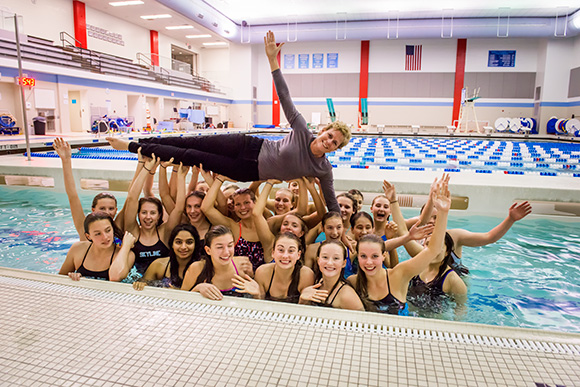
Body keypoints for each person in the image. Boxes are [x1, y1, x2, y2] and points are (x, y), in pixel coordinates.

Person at [106, 30, 351, 213]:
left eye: (335, 143)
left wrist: (341, 229)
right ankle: (134, 143)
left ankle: (131, 146)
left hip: (247, 171)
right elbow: (284, 96)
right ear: (323, 130)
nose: (329, 142)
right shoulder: (300, 129)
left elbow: (331, 200)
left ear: (336, 149)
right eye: (330, 135)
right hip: (249, 146)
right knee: (194, 142)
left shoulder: (323, 169)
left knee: (191, 156)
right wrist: (272, 61)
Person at [347, 176, 451, 315]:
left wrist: (443, 213)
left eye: (375, 256)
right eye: (363, 256)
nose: (369, 262)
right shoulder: (353, 281)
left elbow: (433, 250)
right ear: (357, 257)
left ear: (384, 255)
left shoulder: (399, 274)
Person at [124, 155, 189, 274]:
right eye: (144, 212)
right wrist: (146, 168)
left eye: (152, 213)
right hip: (139, 281)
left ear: (159, 215)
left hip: (163, 282)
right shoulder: (133, 232)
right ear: (138, 214)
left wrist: (181, 177)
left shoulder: (165, 232)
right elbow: (132, 197)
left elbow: (178, 208)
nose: (148, 217)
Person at [53, 138, 124, 240]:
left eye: (111, 208)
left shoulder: (118, 227)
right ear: (93, 210)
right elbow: (72, 196)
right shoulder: (85, 231)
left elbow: (131, 198)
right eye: (102, 208)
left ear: (116, 210)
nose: (107, 212)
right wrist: (66, 160)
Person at [202, 178, 267, 271]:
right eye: (238, 204)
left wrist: (268, 182)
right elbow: (206, 208)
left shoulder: (268, 224)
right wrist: (219, 179)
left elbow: (295, 212)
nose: (243, 207)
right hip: (238, 281)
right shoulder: (233, 227)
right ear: (234, 207)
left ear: (256, 203)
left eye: (246, 202)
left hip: (264, 281)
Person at [231, 232, 314, 303]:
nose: (285, 256)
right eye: (281, 250)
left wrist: (303, 301)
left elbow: (304, 311)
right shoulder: (263, 272)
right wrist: (256, 295)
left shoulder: (306, 275)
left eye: (291, 251)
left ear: (298, 255)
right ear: (273, 253)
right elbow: (260, 307)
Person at [181, 225, 253, 300]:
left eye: (230, 245)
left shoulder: (243, 265)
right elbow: (180, 301)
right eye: (220, 247)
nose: (226, 252)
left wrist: (259, 293)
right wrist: (197, 289)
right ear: (208, 250)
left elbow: (256, 299)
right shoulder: (196, 269)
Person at [59, 212, 135, 281]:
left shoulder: (127, 255)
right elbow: (59, 279)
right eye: (98, 234)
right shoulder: (78, 249)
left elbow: (115, 278)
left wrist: (126, 246)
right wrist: (72, 277)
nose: (105, 237)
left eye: (108, 230)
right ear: (88, 236)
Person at [133, 224, 202, 290]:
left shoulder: (203, 267)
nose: (183, 247)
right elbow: (143, 283)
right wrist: (141, 285)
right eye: (179, 242)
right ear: (172, 244)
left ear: (196, 245)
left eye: (189, 242)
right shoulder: (159, 265)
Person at [299, 240, 364, 310]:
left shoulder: (347, 296)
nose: (330, 263)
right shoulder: (317, 284)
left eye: (336, 258)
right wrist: (302, 301)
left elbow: (363, 319)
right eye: (325, 257)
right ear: (318, 260)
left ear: (343, 263)